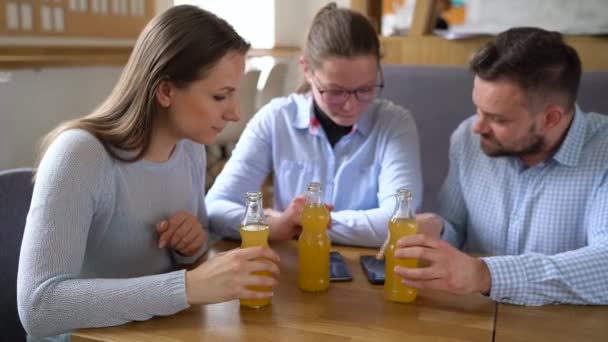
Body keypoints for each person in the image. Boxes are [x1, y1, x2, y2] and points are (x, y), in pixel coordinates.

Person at [17, 5, 280, 340]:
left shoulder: (190, 149)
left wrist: (192, 247)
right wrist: (185, 287)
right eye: (219, 96)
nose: (235, 112)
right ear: (166, 91)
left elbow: (189, 264)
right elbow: (39, 307)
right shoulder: (79, 156)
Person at [394, 27, 608, 305]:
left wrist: (486, 275)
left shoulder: (603, 153)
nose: (478, 126)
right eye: (478, 109)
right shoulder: (466, 139)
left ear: (551, 118)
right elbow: (457, 227)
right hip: (473, 321)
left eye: (498, 119)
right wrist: (439, 229)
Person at [206, 3, 422, 248]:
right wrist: (275, 224)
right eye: (335, 91)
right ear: (307, 70)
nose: (351, 106)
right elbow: (215, 208)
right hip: (292, 267)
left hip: (368, 273)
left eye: (365, 89)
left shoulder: (395, 124)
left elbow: (400, 220)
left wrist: (304, 224)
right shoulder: (277, 119)